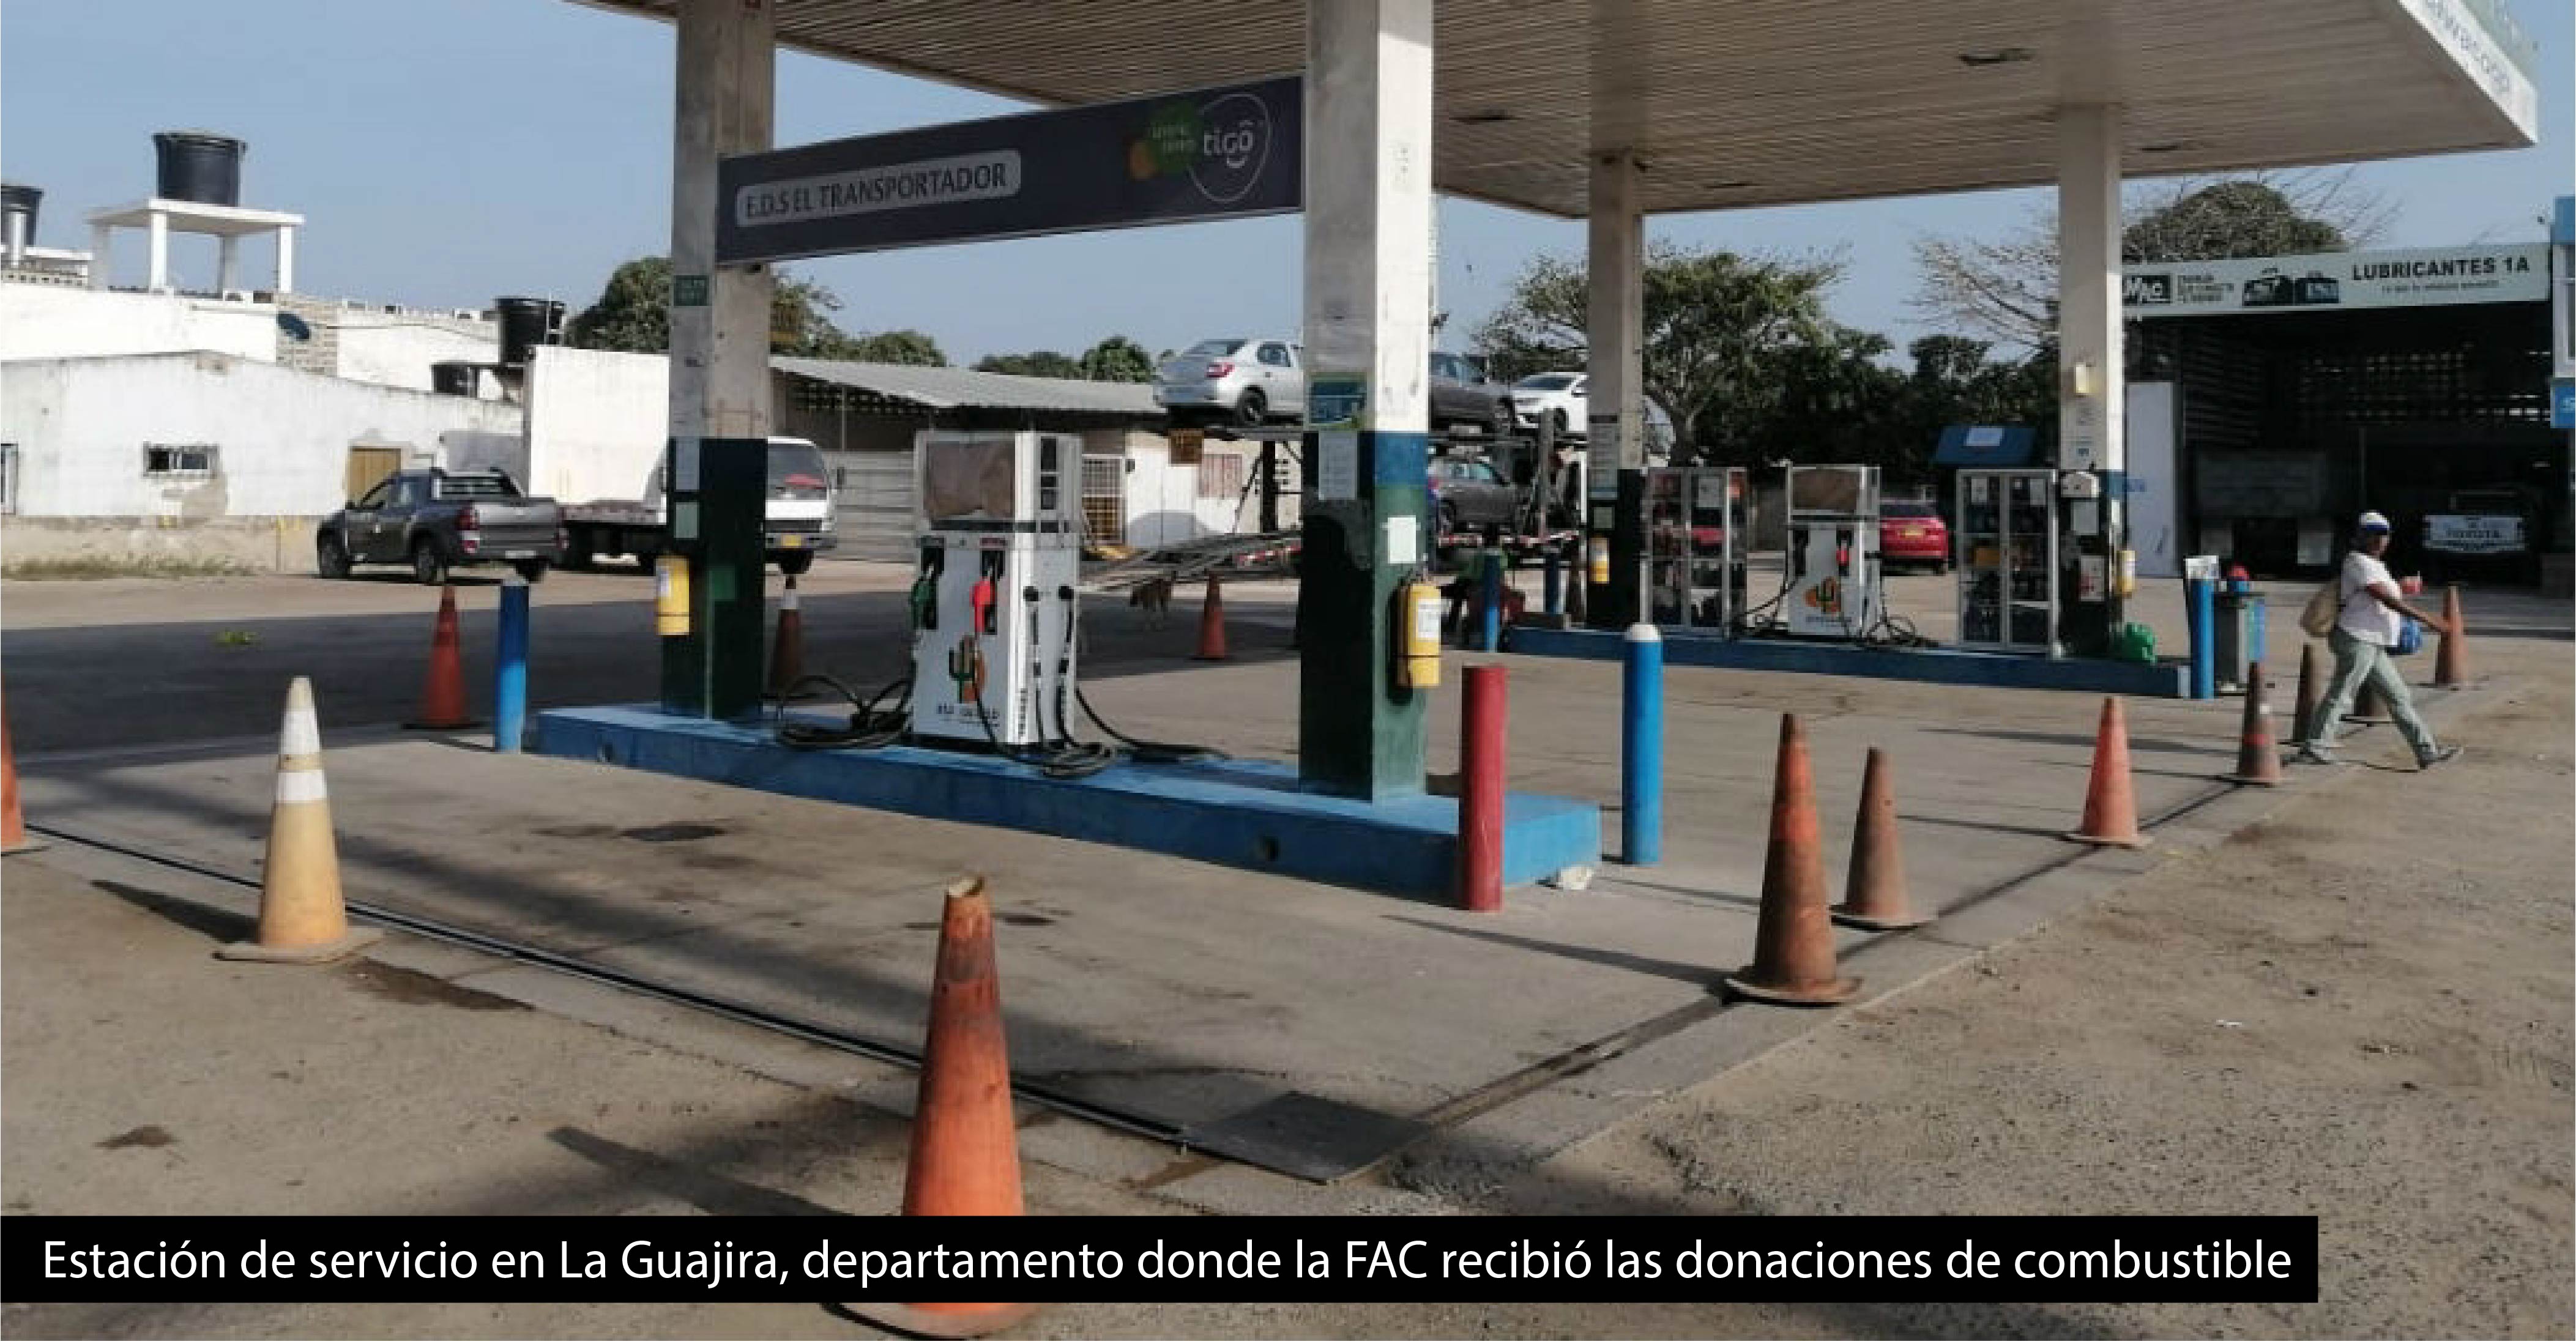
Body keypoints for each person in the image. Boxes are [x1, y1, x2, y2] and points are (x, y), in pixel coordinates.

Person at [2297, 511, 2462, 770]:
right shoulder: (2357, 562)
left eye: (2384, 535)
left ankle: (2426, 751)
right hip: (2356, 638)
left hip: (2372, 642)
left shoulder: (2376, 566)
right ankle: (2316, 745)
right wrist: (2426, 618)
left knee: (2399, 697)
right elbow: (2383, 598)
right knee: (2342, 693)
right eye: (2374, 535)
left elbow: (2384, 593)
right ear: (2361, 537)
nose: (2381, 540)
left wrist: (2401, 586)